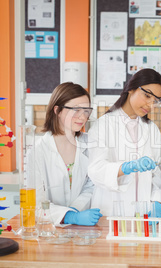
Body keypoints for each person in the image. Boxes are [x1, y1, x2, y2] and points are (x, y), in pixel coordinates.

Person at [88, 68, 161, 220]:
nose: (150, 104)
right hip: (110, 213)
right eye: (147, 95)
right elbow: (95, 170)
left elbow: (156, 174)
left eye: (155, 100)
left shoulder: (152, 129)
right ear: (131, 89)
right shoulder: (103, 125)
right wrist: (125, 167)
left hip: (144, 215)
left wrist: (156, 202)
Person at [35, 82, 102, 226]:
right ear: (57, 110)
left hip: (83, 229)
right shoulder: (38, 150)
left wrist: (75, 210)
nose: (82, 117)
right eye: (76, 110)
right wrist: (68, 216)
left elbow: (91, 184)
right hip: (49, 229)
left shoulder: (90, 144)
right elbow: (35, 202)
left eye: (86, 111)